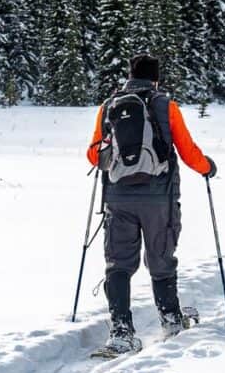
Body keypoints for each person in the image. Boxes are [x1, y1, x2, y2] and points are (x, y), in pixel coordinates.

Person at [85, 54, 217, 357]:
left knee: (118, 264)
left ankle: (121, 332)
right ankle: (171, 320)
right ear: (155, 78)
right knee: (161, 258)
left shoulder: (109, 106)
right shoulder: (165, 105)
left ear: (130, 75)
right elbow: (187, 150)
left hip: (118, 198)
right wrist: (206, 167)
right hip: (159, 198)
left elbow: (94, 156)